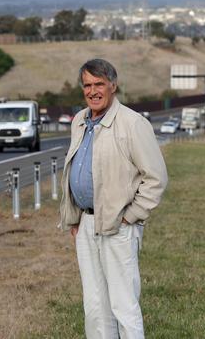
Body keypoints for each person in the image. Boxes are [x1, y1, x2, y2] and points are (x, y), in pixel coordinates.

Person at [59, 58, 168, 339]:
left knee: (123, 305)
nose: (93, 91)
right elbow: (77, 168)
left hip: (119, 226)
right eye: (87, 85)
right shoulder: (80, 121)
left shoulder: (132, 124)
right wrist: (74, 218)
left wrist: (130, 216)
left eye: (99, 84)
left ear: (113, 86)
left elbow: (156, 178)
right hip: (86, 223)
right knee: (95, 306)